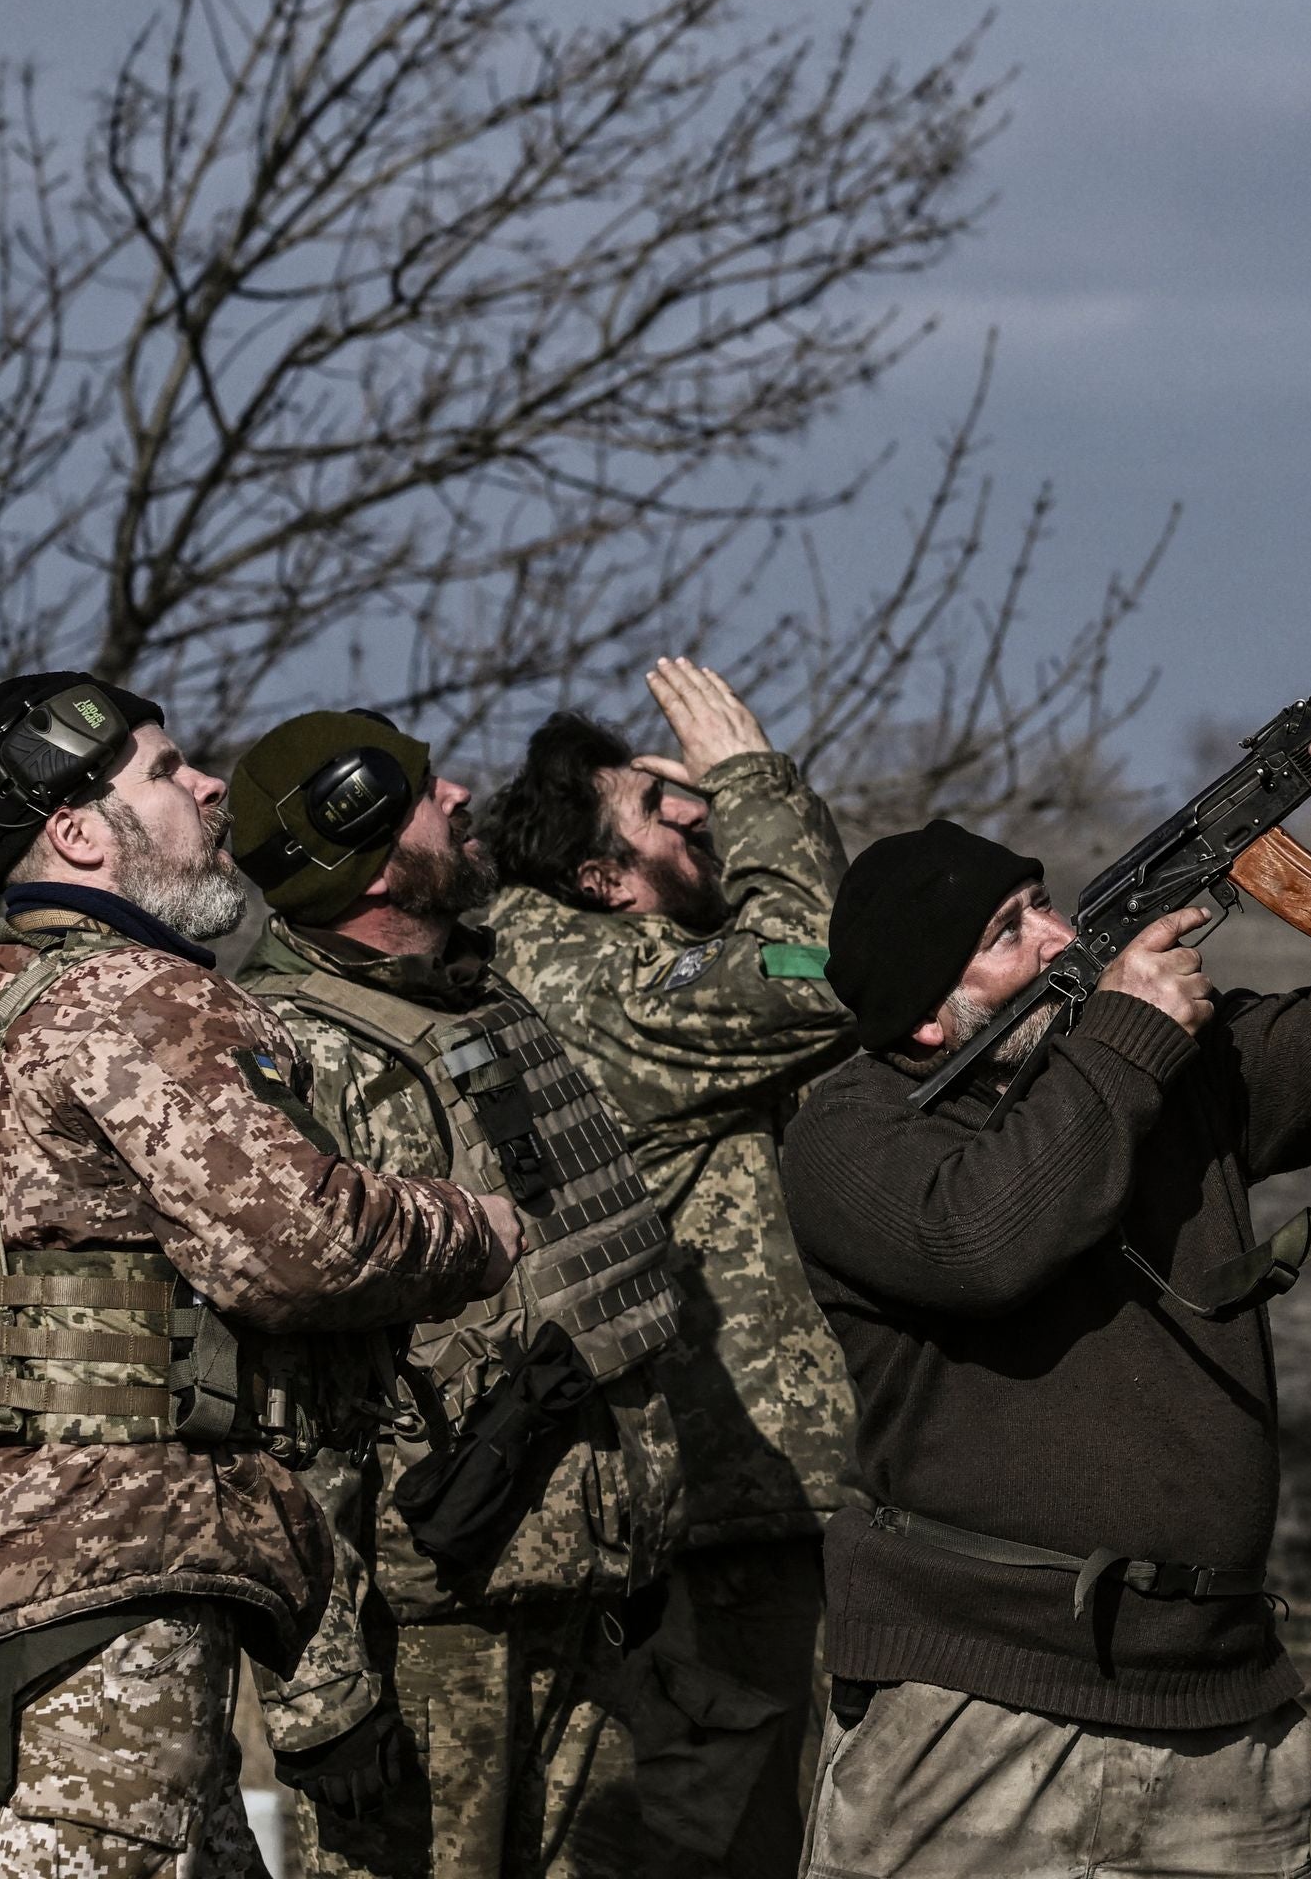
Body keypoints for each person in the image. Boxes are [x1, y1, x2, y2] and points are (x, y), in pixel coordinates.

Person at [782, 686, 1311, 1879]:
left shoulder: (1150, 1064)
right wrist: (1129, 1037)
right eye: (1005, 933)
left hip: (1214, 1704)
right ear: (930, 1019)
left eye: (1037, 904)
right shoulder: (853, 1131)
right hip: (972, 1704)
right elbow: (984, 1241)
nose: (1055, 937)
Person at [0, 673, 516, 1879]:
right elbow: (303, 1243)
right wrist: (474, 1229)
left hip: (36, 1563)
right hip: (113, 1554)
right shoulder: (132, 993)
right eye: (165, 772)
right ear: (77, 831)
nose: (210, 783)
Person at [224, 709, 689, 1878]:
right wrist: (321, 1688)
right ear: (373, 854)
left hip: (582, 1600)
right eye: (431, 792)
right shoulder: (294, 1053)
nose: (465, 795)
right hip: (424, 1641)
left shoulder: (474, 999)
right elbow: (264, 1403)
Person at [473, 659, 858, 1875]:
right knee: (707, 1837)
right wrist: (750, 773)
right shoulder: (601, 981)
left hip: (721, 1502)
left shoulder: (621, 961)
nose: (693, 808)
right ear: (603, 878)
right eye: (659, 806)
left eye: (694, 793)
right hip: (703, 1507)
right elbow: (822, 962)